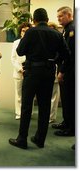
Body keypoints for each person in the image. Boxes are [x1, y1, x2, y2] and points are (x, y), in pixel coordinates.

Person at [8, 8, 70, 149]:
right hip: (48, 73)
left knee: (27, 106)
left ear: (34, 20)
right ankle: (40, 139)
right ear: (47, 19)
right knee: (44, 106)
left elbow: (20, 51)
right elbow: (66, 54)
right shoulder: (56, 33)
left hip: (32, 72)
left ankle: (22, 139)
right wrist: (54, 60)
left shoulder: (31, 32)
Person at [52, 6, 75, 137]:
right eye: (58, 16)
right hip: (66, 69)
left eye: (61, 16)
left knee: (69, 99)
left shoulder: (72, 30)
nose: (58, 18)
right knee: (65, 98)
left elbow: (70, 55)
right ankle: (66, 123)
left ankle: (71, 128)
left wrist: (62, 71)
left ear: (68, 15)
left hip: (70, 71)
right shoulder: (66, 29)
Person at [11, 22, 32, 120]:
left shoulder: (33, 41)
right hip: (19, 71)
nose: (25, 32)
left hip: (30, 71)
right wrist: (20, 69)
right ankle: (19, 113)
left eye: (27, 31)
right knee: (18, 94)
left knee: (28, 94)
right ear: (20, 32)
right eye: (23, 31)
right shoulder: (16, 43)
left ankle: (28, 112)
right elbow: (13, 58)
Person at [47, 22, 61, 123]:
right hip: (47, 71)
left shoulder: (59, 40)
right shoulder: (46, 41)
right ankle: (48, 115)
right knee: (47, 95)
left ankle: (52, 117)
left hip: (56, 69)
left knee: (54, 96)